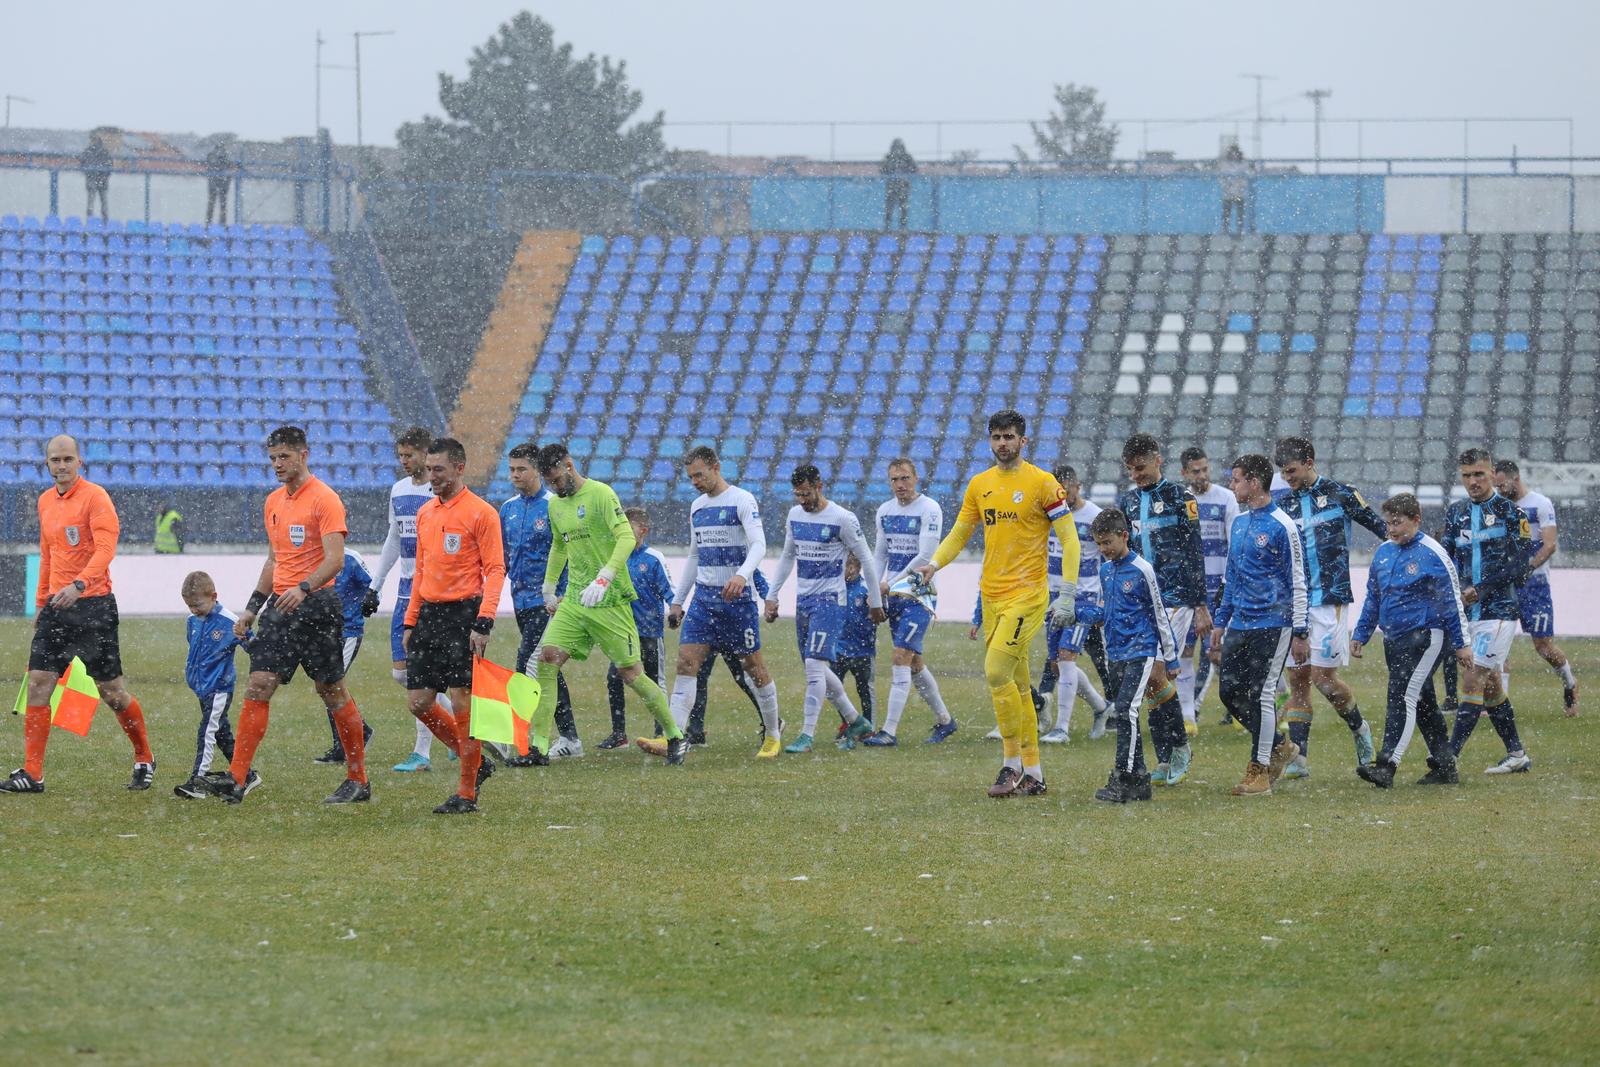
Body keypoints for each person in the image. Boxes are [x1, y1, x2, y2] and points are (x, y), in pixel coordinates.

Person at [917, 409, 1080, 798]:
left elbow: (1070, 540)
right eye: (996, 437)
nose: (1002, 444)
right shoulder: (980, 484)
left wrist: (1068, 593)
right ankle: (1035, 774)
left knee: (994, 672)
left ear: (1024, 441)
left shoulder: (1043, 484)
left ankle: (1009, 765)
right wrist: (934, 564)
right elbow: (960, 531)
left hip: (1027, 596)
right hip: (992, 595)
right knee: (1018, 687)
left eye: (1009, 437)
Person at [220, 425, 370, 805]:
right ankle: (237, 778)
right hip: (280, 611)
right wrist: (252, 608)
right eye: (272, 458)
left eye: (284, 456)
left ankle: (358, 779)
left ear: (304, 454)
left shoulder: (325, 499)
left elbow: (336, 560)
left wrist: (303, 587)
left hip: (318, 607)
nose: (277, 464)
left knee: (331, 691)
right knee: (258, 684)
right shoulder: (273, 502)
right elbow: (274, 560)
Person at [5, 435, 156, 795]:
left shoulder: (95, 497)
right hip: (57, 608)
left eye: (67, 459)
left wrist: (80, 585)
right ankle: (33, 773)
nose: (61, 466)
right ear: (47, 464)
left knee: (112, 693)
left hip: (93, 607)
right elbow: (48, 552)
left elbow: (106, 548)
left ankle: (144, 756)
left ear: (80, 462)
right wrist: (41, 601)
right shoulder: (45, 501)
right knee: (40, 682)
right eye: (55, 460)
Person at [533, 444, 686, 763]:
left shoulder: (601, 494)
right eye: (549, 483)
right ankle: (536, 746)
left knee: (631, 674)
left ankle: (674, 736)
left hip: (610, 600)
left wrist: (604, 578)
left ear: (569, 465)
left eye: (557, 480)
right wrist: (549, 587)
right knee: (546, 660)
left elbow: (626, 538)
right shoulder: (556, 506)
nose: (554, 488)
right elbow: (559, 547)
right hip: (575, 600)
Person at [403, 438, 506, 814]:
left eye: (439, 470)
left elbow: (495, 570)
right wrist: (411, 618)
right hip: (430, 614)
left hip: (465, 615)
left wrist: (485, 619)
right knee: (419, 702)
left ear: (459, 468)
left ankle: (466, 791)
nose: (432, 476)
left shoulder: (482, 513)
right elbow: (421, 570)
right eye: (429, 470)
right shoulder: (425, 513)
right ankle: (476, 763)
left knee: (463, 702)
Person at [1270, 436, 1382, 777]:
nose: (1288, 477)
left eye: (1292, 470)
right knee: (1299, 678)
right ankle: (1300, 758)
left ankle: (1360, 729)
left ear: (1309, 461)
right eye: (1283, 473)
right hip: (1297, 603)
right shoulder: (1284, 507)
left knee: (1323, 678)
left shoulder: (1340, 493)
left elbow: (1381, 528)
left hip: (1330, 599)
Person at [666, 446, 783, 757]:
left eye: (699, 475)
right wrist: (679, 601)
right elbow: (694, 555)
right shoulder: (697, 507)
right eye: (690, 477)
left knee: (753, 667)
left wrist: (742, 576)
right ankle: (675, 740)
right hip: (705, 600)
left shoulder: (742, 500)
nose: (695, 482)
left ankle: (773, 733)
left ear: (716, 468)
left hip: (738, 602)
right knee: (686, 663)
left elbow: (759, 545)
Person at [1351, 494, 1472, 789]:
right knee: (1424, 702)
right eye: (1388, 523)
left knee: (1401, 695)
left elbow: (1452, 602)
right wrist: (1361, 633)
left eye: (1398, 523)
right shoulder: (1383, 553)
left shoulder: (1434, 554)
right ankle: (1444, 765)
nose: (1392, 530)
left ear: (1416, 520)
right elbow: (1374, 597)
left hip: (1427, 636)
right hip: (1394, 638)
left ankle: (1387, 764)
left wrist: (1462, 643)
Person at [766, 465, 886, 753]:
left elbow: (866, 560)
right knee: (816, 666)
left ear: (819, 486)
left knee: (813, 668)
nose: (802, 500)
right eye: (797, 494)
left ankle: (806, 736)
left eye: (806, 494)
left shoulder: (842, 518)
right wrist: (772, 594)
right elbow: (786, 556)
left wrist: (875, 601)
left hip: (831, 601)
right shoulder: (795, 516)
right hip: (803, 601)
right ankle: (855, 720)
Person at [1210, 454, 1308, 797]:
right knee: (1229, 692)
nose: (1231, 485)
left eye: (1236, 479)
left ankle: (1260, 771)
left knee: (1264, 695)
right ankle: (1281, 745)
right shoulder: (1239, 522)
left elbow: (1298, 580)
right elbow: (1231, 576)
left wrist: (1300, 630)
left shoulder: (1283, 525)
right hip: (1241, 622)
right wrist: (1221, 621)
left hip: (1274, 621)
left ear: (1254, 482)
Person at [1118, 433, 1207, 785]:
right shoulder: (1128, 502)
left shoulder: (1179, 498)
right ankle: (1166, 756)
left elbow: (1194, 552)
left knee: (1156, 675)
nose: (1136, 475)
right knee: (1150, 682)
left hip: (1175, 599)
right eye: (1130, 470)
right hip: (1142, 602)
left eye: (1140, 467)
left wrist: (1201, 605)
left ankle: (1180, 745)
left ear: (1157, 460)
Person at [1073, 509, 1179, 803]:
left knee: (1125, 710)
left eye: (1107, 542)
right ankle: (1140, 780)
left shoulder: (1143, 569)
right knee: (1124, 713)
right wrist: (1076, 614)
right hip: (1115, 652)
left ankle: (1122, 776)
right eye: (1099, 544)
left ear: (1124, 536)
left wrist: (1170, 658)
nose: (1104, 549)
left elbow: (1159, 614)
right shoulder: (1105, 570)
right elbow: (1105, 613)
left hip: (1141, 650)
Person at [369, 426, 455, 774]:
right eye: (401, 455)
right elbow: (394, 538)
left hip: (430, 594)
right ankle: (458, 727)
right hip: (405, 593)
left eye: (410, 455)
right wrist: (375, 585)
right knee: (401, 675)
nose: (404, 462)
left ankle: (422, 753)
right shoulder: (398, 490)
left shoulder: (438, 496)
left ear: (425, 454)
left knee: (419, 678)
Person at [1444, 449, 1534, 775]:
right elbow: (1448, 560)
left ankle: (1448, 757)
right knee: (1492, 684)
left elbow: (1521, 564)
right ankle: (1517, 754)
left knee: (1473, 678)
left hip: (1499, 611)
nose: (1473, 482)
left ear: (1493, 473)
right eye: (1467, 476)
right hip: (1469, 614)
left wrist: (1482, 588)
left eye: (1479, 474)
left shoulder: (1512, 513)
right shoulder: (1456, 514)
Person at [864, 457, 956, 746]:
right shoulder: (885, 511)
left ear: (916, 479)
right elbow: (880, 555)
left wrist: (889, 583)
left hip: (918, 594)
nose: (899, 485)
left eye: (904, 478)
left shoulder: (929, 509)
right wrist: (875, 590)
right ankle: (945, 721)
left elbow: (924, 557)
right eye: (894, 479)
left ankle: (888, 732)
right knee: (914, 663)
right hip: (892, 595)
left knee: (900, 657)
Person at [500, 441, 580, 761]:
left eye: (522, 469)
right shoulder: (507, 508)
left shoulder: (553, 506)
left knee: (526, 668)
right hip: (520, 601)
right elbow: (506, 556)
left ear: (537, 471)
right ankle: (570, 739)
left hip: (548, 603)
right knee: (547, 671)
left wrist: (561, 593)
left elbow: (567, 552)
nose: (516, 475)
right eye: (511, 470)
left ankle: (522, 743)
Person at [1493, 460, 1579, 715]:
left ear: (1515, 478)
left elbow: (1549, 544)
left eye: (1501, 485)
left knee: (1543, 647)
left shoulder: (1540, 503)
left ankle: (1570, 683)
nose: (1498, 490)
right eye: (1495, 486)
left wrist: (1528, 568)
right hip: (1507, 585)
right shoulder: (1499, 507)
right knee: (1500, 645)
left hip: (1535, 585)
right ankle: (1501, 705)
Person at [1038, 463, 1108, 743]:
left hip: (1083, 598)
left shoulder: (1094, 517)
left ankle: (1061, 728)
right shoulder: (1047, 516)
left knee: (1067, 657)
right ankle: (1101, 708)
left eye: (1068, 489)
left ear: (1078, 487)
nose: (1063, 495)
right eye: (1058, 491)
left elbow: (1107, 557)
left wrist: (1104, 600)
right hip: (1054, 599)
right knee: (1056, 665)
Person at [606, 507, 674, 744]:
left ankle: (663, 732)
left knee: (655, 681)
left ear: (643, 531)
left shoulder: (653, 558)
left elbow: (669, 591)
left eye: (628, 527)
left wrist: (675, 609)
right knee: (614, 679)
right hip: (622, 633)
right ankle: (618, 734)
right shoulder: (616, 557)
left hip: (650, 632)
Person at [1178, 447, 1236, 727]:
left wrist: (1228, 585)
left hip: (1219, 588)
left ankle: (1239, 706)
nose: (1202, 475)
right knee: (1185, 651)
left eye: (1205, 469)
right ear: (1184, 473)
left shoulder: (1226, 498)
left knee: (1219, 652)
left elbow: (1234, 545)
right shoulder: (1180, 501)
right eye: (1195, 471)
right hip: (1189, 589)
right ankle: (1188, 717)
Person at [174, 571, 245, 799]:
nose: (194, 610)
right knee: (221, 732)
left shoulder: (230, 621)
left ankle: (198, 781)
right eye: (189, 606)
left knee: (207, 731)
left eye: (197, 605)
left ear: (214, 596)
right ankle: (245, 773)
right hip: (202, 688)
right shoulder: (192, 621)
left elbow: (252, 643)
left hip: (219, 689)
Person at [687, 568, 773, 743]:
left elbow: (756, 575)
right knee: (699, 675)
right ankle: (695, 730)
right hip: (708, 621)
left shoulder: (739, 556)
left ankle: (771, 721)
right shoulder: (708, 552)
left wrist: (769, 599)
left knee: (743, 677)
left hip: (733, 622)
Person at [309, 549, 377, 765]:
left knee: (331, 684)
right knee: (330, 686)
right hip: (324, 632)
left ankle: (343, 747)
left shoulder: (350, 558)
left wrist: (370, 601)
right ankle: (361, 731)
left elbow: (373, 587)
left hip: (348, 631)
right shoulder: (311, 555)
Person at [880, 138, 916, 231]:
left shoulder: (907, 158)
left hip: (902, 187)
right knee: (891, 208)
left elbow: (914, 169)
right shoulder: (889, 158)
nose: (897, 150)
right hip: (893, 187)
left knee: (902, 208)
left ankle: (901, 227)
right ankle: (888, 227)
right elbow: (882, 170)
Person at [80, 133, 111, 221]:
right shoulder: (103, 152)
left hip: (97, 180)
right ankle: (96, 221)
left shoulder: (90, 152)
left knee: (97, 202)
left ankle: (98, 221)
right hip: (97, 180)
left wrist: (93, 173)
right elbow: (109, 166)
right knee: (96, 202)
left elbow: (82, 164)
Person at [1219, 142, 1249, 235]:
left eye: (1235, 153)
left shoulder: (1243, 164)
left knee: (1240, 213)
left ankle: (1240, 230)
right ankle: (1225, 229)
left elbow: (1246, 178)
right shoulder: (1224, 165)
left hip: (1239, 193)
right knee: (1226, 213)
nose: (1234, 155)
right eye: (1232, 153)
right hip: (1228, 193)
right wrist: (1226, 186)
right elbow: (1221, 178)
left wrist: (1241, 186)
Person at [205, 138, 232, 226]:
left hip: (220, 184)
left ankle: (218, 223)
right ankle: (212, 223)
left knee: (218, 205)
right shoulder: (214, 156)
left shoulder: (223, 157)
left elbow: (228, 167)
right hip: (217, 184)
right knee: (216, 205)